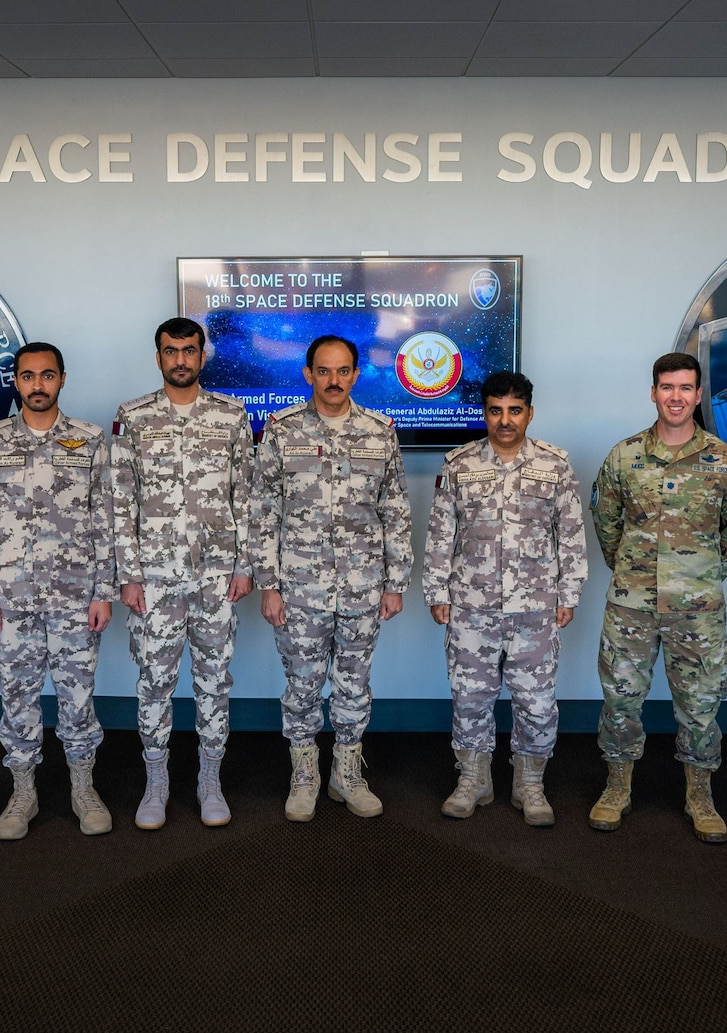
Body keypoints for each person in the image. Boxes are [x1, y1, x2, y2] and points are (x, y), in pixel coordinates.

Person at [591, 353, 727, 842]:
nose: (676, 396)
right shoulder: (624, 456)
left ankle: (699, 794)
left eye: (685, 388)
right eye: (667, 387)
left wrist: (700, 574)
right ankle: (617, 786)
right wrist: (632, 570)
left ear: (699, 395)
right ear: (653, 392)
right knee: (620, 698)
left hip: (697, 610)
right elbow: (606, 522)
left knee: (701, 703)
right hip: (631, 604)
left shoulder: (723, 460)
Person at [251, 335, 413, 822]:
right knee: (301, 684)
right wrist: (269, 584)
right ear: (308, 374)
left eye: (343, 371)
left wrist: (394, 582)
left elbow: (396, 509)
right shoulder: (280, 431)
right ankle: (305, 774)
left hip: (364, 583)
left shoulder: (380, 431)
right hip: (300, 586)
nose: (334, 380)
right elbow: (263, 511)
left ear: (356, 375)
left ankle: (347, 771)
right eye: (324, 371)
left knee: (354, 683)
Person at [0, 342, 115, 841]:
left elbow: (106, 520)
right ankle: (23, 791)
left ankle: (82, 787)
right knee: (18, 697)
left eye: (47, 376)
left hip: (75, 595)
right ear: (17, 382)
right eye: (28, 377)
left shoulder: (89, 440)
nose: (38, 386)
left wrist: (103, 591)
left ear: (62, 380)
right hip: (11, 597)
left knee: (77, 696)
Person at [422, 371, 589, 826]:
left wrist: (568, 593)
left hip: (534, 607)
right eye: (495, 410)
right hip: (470, 607)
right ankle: (473, 778)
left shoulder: (555, 465)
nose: (505, 420)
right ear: (485, 412)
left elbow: (571, 535)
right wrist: (437, 592)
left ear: (529, 413)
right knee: (470, 697)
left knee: (536, 700)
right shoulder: (459, 465)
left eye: (515, 411)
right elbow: (441, 536)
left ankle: (529, 782)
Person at [111, 317, 254, 829]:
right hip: (154, 579)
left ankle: (209, 780)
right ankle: (156, 783)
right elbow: (120, 500)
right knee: (154, 682)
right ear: (158, 357)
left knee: (215, 682)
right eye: (171, 351)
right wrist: (128, 574)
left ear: (202, 355)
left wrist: (244, 565)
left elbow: (247, 495)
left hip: (216, 577)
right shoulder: (133, 416)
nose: (180, 360)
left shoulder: (231, 415)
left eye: (189, 350)